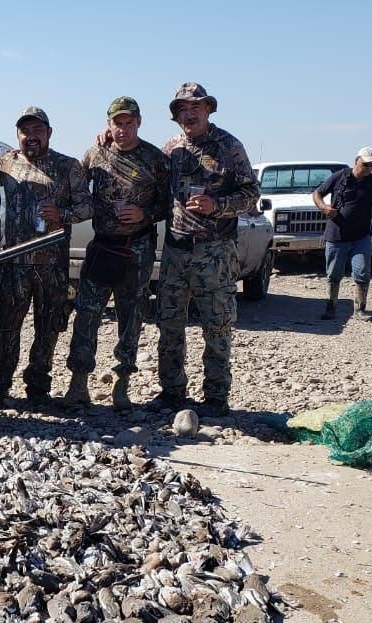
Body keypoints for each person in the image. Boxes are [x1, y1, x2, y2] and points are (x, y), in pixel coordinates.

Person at [154, 82, 259, 418]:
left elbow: (251, 195)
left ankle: (215, 396)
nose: (189, 113)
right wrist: (108, 138)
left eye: (196, 107)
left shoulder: (229, 146)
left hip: (214, 250)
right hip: (175, 249)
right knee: (169, 323)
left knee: (217, 325)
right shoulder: (170, 148)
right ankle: (171, 391)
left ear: (208, 109)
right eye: (183, 109)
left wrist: (217, 205)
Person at [64, 96, 170, 408]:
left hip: (138, 247)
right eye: (117, 123)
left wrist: (144, 214)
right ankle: (78, 383)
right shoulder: (95, 153)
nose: (122, 129)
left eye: (128, 122)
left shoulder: (154, 159)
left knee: (131, 315)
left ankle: (122, 384)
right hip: (102, 245)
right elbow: (78, 190)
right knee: (86, 314)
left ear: (139, 122)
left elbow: (168, 203)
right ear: (108, 124)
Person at [0, 107, 92, 404]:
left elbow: (88, 207)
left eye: (38, 131)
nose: (31, 137)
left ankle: (38, 386)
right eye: (25, 131)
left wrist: (63, 214)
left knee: (48, 327)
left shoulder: (68, 166)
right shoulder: (4, 163)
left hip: (53, 265)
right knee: (6, 326)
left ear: (49, 133)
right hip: (14, 264)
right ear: (17, 135)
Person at [313, 147, 372, 321]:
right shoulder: (339, 176)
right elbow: (317, 193)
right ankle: (331, 307)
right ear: (356, 161)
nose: (368, 168)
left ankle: (360, 309)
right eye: (365, 164)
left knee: (362, 272)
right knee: (333, 273)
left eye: (371, 165)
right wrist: (324, 208)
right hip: (337, 235)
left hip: (361, 236)